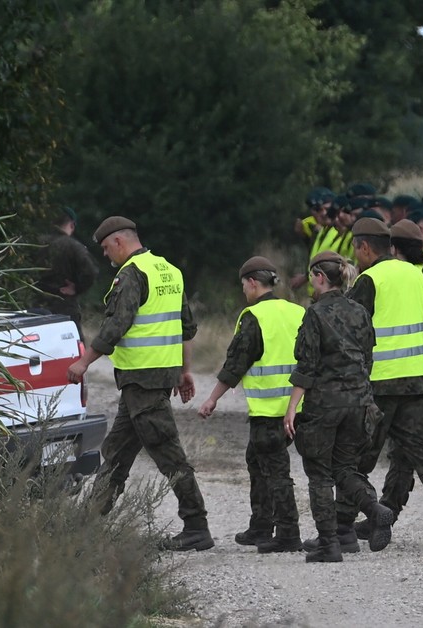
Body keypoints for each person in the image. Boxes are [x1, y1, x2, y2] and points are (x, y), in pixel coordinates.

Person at [66, 216, 212, 552]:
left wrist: (84, 361)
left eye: (105, 249)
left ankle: (196, 526)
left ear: (119, 242)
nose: (106, 256)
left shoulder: (131, 274)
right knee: (116, 453)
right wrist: (184, 370)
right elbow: (186, 327)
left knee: (169, 455)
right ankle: (86, 526)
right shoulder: (169, 271)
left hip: (143, 381)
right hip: (148, 381)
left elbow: (118, 324)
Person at [341, 217, 423, 552]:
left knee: (354, 456)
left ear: (365, 247)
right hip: (417, 380)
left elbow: (351, 332)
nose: (356, 257)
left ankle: (341, 528)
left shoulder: (369, 280)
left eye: (356, 249)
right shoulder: (417, 276)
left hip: (380, 385)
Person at [284, 251, 395, 562]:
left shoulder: (315, 314)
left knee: (319, 472)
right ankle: (374, 508)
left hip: (325, 405)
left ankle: (329, 544)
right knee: (345, 468)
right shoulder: (360, 312)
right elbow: (368, 358)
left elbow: (307, 366)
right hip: (360, 402)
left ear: (319, 277)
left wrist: (292, 407)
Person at [198, 256, 305, 553]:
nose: (243, 290)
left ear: (253, 283)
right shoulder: (297, 311)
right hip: (298, 406)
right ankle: (261, 525)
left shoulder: (253, 316)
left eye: (244, 285)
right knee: (256, 460)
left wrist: (212, 398)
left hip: (270, 410)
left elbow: (236, 363)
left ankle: (287, 533)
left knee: (274, 470)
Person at [32, 207, 99, 330]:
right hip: (64, 305)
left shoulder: (35, 242)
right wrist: (77, 288)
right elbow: (91, 271)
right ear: (72, 225)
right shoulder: (74, 246)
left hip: (37, 304)